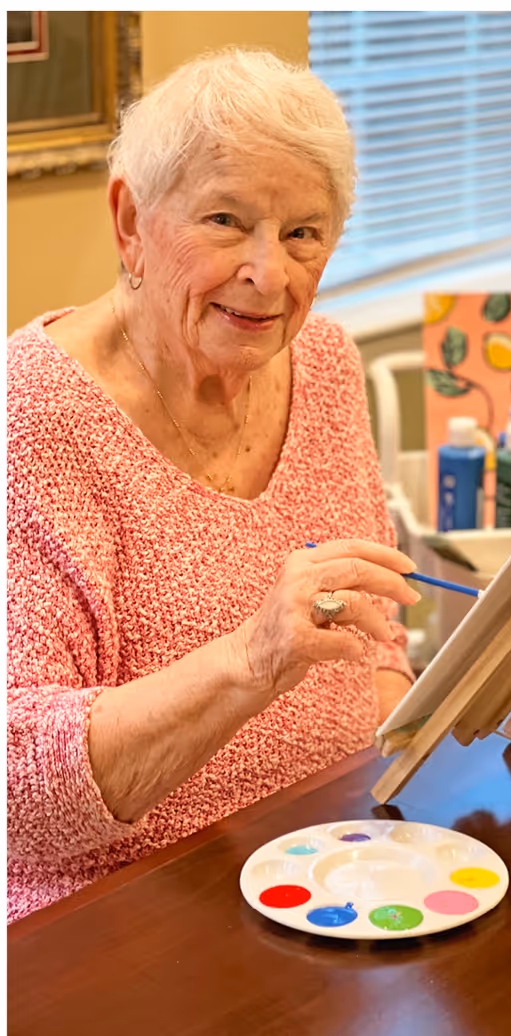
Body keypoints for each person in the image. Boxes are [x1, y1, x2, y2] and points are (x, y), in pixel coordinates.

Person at [7, 50, 422, 923]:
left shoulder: (325, 362)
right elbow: (21, 808)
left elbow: (375, 647)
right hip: (122, 922)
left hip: (334, 870)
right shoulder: (32, 418)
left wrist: (430, 742)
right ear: (130, 221)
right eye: (227, 221)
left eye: (304, 233)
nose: (269, 275)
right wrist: (253, 657)